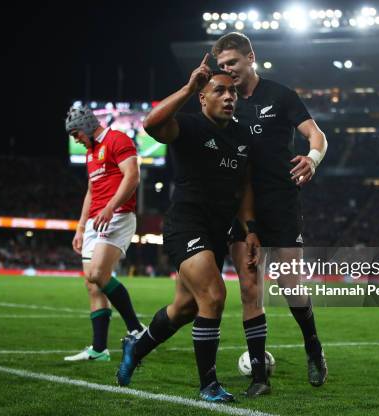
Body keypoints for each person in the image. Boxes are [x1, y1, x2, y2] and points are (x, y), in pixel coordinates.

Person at [116, 57, 259, 403]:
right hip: (186, 225)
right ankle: (208, 385)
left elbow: (246, 187)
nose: (229, 97)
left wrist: (250, 228)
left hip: (218, 231)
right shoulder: (190, 127)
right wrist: (188, 86)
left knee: (185, 308)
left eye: (232, 92)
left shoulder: (242, 135)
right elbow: (151, 124)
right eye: (219, 91)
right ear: (203, 98)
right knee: (213, 295)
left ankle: (136, 347)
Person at [213, 32, 329, 395]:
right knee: (250, 288)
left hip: (280, 201)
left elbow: (317, 135)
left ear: (250, 57)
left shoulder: (280, 96)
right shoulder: (224, 101)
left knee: (290, 285)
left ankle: (313, 346)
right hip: (240, 206)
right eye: (221, 66)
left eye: (232, 62)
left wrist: (312, 159)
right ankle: (260, 375)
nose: (227, 71)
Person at [63, 105, 145, 361]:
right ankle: (99, 349)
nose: (75, 139)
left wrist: (111, 207)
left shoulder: (117, 139)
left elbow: (132, 177)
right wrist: (80, 226)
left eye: (76, 133)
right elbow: (91, 190)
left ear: (87, 125)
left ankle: (136, 328)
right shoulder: (90, 153)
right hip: (94, 221)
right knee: (92, 284)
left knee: (98, 274)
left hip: (118, 216)